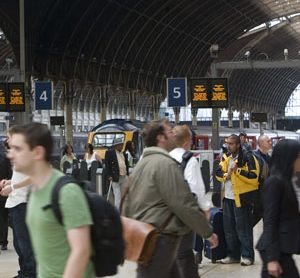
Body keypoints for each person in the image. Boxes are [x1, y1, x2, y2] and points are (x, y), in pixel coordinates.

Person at [123, 119, 218, 278]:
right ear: (160, 138)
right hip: (159, 239)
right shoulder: (165, 164)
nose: (173, 135)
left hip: (147, 237)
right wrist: (207, 232)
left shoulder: (142, 163)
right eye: (169, 132)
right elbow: (183, 203)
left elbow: (127, 202)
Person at [7, 123, 94, 278]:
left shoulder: (66, 192)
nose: (10, 155)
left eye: (18, 149)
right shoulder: (35, 193)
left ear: (37, 152)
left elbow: (81, 251)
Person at [169, 125, 212, 277]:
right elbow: (195, 190)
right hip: (182, 217)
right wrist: (206, 210)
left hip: (162, 216)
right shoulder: (189, 160)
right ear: (187, 141)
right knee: (183, 255)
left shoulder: (163, 157)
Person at [256, 139, 300, 278]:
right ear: (289, 158)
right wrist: (272, 258)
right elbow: (270, 221)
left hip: (284, 246)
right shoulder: (274, 182)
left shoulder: (292, 180)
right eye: (298, 156)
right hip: (276, 248)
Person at [215, 134, 259, 266]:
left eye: (231, 143)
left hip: (242, 198)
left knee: (243, 228)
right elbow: (217, 173)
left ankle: (247, 256)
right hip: (227, 198)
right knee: (229, 229)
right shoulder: (225, 157)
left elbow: (254, 176)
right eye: (227, 143)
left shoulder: (247, 157)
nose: (229, 146)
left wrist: (237, 171)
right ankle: (233, 255)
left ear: (238, 145)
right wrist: (225, 176)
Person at [0, 127, 36, 278]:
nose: (6, 140)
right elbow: (22, 177)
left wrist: (12, 187)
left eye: (8, 136)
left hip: (23, 203)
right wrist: (9, 182)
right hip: (16, 203)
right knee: (19, 244)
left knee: (25, 244)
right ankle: (24, 272)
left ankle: (30, 274)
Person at [252, 134, 272, 227]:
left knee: (267, 222)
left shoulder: (269, 158)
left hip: (266, 195)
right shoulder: (254, 157)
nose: (270, 143)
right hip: (256, 196)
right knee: (252, 220)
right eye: (268, 141)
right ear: (261, 143)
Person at [104, 137, 129, 209]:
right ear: (116, 146)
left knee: (123, 195)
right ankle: (117, 212)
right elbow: (107, 165)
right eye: (120, 145)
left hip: (123, 176)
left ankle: (122, 210)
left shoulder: (123, 153)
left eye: (122, 144)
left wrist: (127, 174)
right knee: (117, 195)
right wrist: (109, 175)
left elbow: (126, 164)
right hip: (115, 177)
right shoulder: (110, 153)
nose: (121, 146)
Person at [0, 139, 12, 251]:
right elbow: (10, 175)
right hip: (4, 189)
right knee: (4, 217)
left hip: (4, 187)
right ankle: (3, 242)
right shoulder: (7, 158)